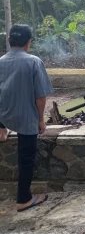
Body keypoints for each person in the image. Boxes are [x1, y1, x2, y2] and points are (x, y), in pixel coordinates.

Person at [0, 24, 53, 212]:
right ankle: (24, 198)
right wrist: (40, 120)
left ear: (10, 41)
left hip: (4, 115)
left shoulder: (0, 61)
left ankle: (2, 130)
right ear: (28, 43)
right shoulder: (33, 62)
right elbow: (40, 96)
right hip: (25, 118)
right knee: (26, 158)